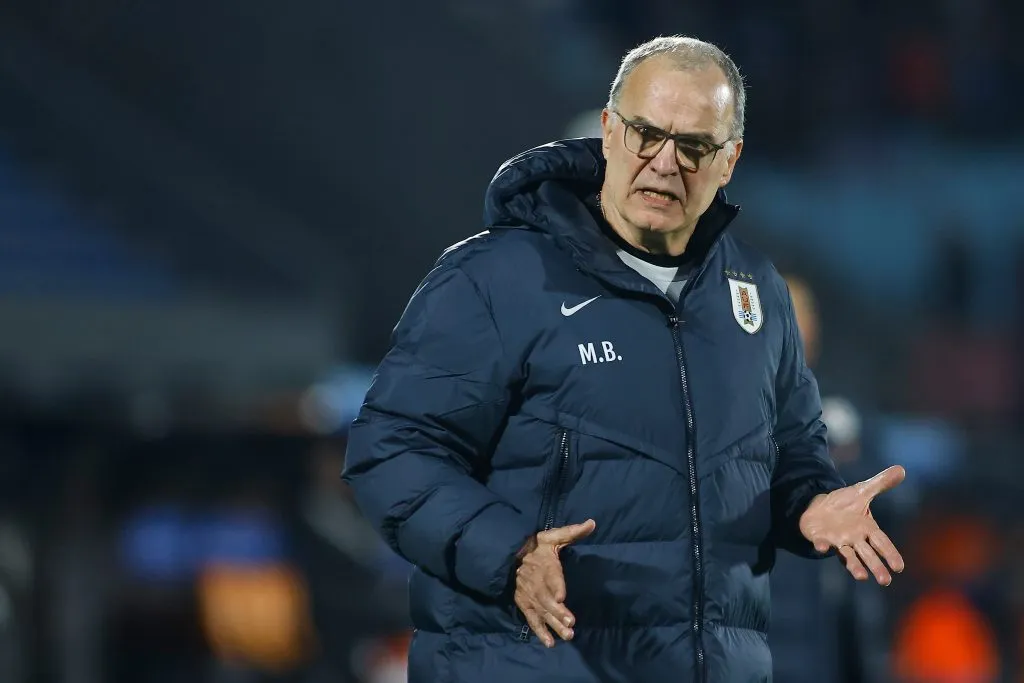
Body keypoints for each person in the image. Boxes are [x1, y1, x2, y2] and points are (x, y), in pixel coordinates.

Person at [343, 35, 906, 683]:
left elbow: (791, 452)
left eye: (694, 146)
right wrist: (509, 553)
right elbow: (392, 448)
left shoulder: (755, 291)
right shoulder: (495, 279)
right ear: (609, 131)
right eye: (646, 134)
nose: (665, 163)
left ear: (729, 160)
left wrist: (809, 503)